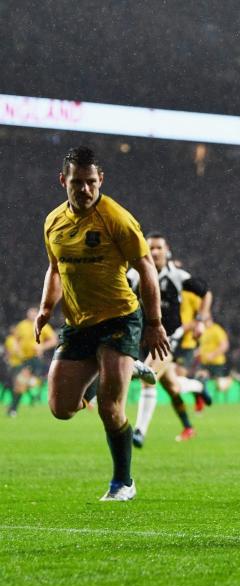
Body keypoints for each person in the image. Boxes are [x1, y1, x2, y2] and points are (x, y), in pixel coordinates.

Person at [37, 146, 169, 501]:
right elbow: (55, 269)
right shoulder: (53, 222)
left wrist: (154, 323)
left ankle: (123, 482)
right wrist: (45, 309)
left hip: (120, 318)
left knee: (111, 409)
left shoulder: (117, 218)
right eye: (77, 183)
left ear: (101, 181)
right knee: (61, 409)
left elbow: (147, 269)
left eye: (91, 182)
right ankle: (116, 369)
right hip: (79, 323)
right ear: (63, 180)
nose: (84, 190)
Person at [127, 233, 212, 447]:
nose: (155, 252)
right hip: (142, 338)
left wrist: (201, 320)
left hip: (169, 337)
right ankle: (198, 386)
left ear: (167, 250)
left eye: (158, 248)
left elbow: (206, 293)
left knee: (147, 375)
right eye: (151, 248)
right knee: (172, 387)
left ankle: (139, 432)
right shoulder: (135, 275)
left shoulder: (178, 276)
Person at [5, 307, 58, 417]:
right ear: (27, 314)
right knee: (19, 385)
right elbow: (15, 338)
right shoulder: (22, 325)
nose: (32, 315)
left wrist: (42, 347)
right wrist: (16, 348)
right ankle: (13, 409)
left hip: (35, 359)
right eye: (30, 313)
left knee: (21, 383)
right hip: (23, 359)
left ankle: (14, 407)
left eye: (34, 313)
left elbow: (54, 340)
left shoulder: (43, 325)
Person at [197, 313, 231, 404]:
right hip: (205, 362)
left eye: (206, 320)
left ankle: (230, 379)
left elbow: (224, 345)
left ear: (210, 319)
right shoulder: (203, 330)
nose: (205, 322)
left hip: (217, 362)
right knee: (200, 379)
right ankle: (201, 404)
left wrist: (213, 354)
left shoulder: (217, 330)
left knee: (221, 387)